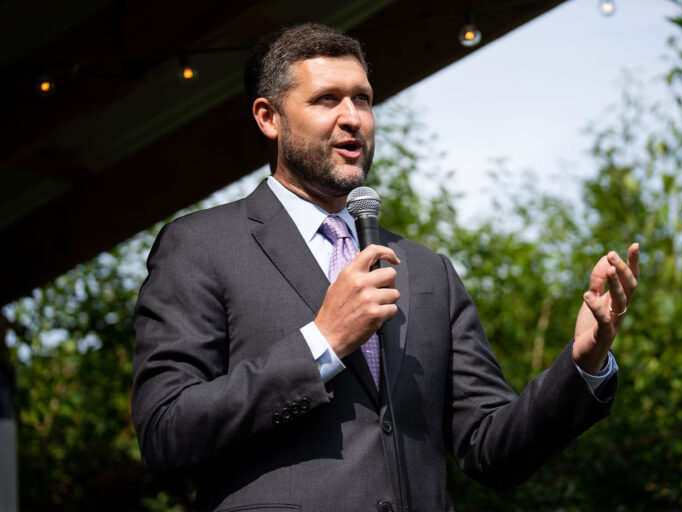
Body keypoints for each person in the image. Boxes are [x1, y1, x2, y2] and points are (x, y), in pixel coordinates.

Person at [132, 23, 640, 512]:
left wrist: (584, 360)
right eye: (327, 100)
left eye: (364, 99)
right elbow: (166, 432)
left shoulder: (426, 271)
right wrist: (322, 343)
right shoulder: (201, 245)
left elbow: (492, 450)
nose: (353, 118)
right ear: (269, 118)